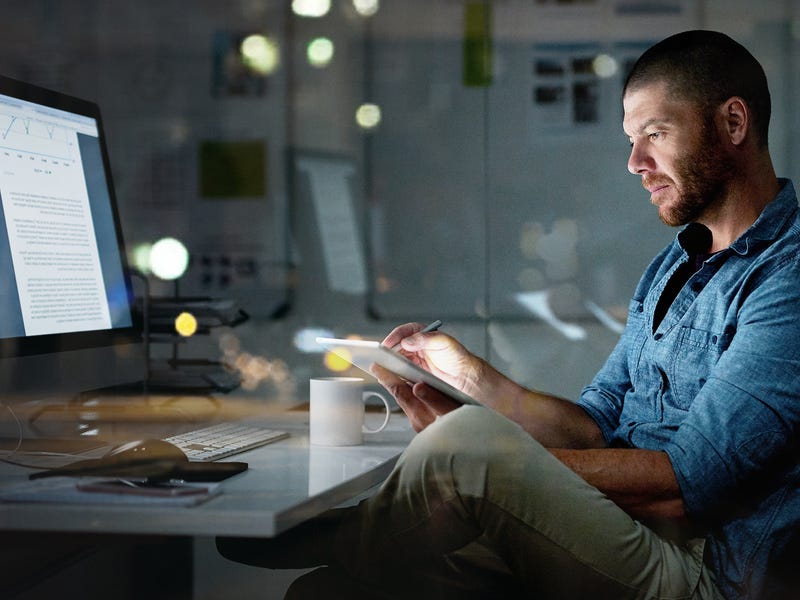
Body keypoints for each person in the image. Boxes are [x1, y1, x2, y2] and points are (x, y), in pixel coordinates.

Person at [218, 30, 800, 599]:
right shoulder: (673, 266)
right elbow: (594, 428)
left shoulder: (786, 279)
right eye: (631, 139)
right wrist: (470, 379)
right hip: (620, 531)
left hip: (704, 570)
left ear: (733, 123)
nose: (634, 162)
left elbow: (686, 487)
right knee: (327, 590)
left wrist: (489, 461)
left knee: (470, 445)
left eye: (655, 133)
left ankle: (353, 534)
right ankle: (363, 538)